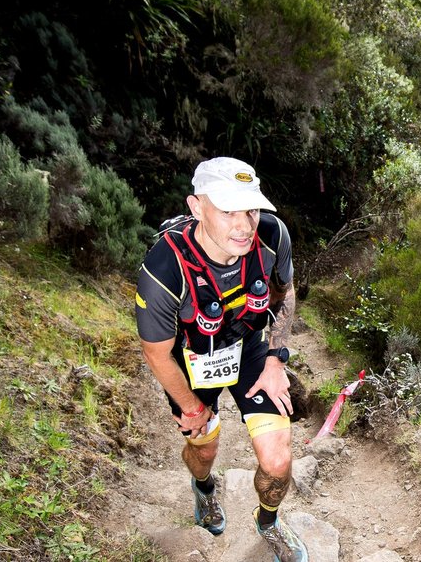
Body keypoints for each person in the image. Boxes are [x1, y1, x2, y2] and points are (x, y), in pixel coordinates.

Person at [135, 156, 307, 562]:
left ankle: (268, 522)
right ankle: (205, 489)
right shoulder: (164, 270)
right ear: (197, 208)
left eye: (250, 208)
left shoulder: (271, 236)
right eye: (228, 209)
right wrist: (191, 407)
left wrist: (275, 360)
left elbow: (286, 294)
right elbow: (156, 353)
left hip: (249, 350)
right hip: (192, 359)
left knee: (278, 458)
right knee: (204, 452)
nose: (244, 224)